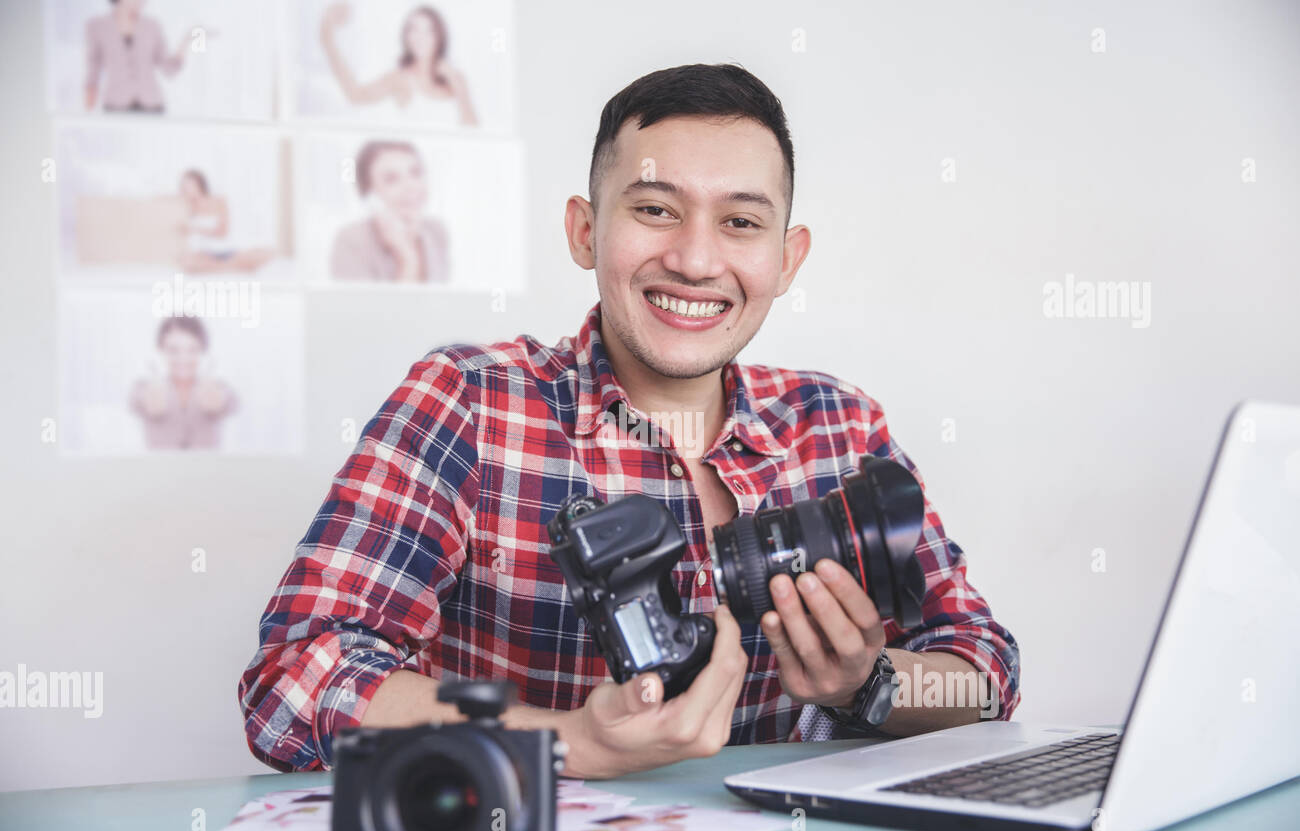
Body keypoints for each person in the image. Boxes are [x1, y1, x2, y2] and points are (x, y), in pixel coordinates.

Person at [240, 64, 1020, 777]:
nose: (694, 259)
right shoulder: (472, 402)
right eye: (655, 209)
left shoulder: (838, 425)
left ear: (787, 259)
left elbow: (986, 678)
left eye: (741, 223)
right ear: (586, 231)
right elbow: (296, 682)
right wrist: (568, 743)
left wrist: (869, 683)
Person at [318, 2, 478, 126]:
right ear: (406, 36)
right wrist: (328, 40)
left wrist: (458, 86)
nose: (420, 37)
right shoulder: (400, 79)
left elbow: (473, 132)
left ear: (440, 36)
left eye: (429, 30)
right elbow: (355, 95)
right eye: (413, 29)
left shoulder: (457, 79)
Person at [328, 141, 450, 283]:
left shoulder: (436, 231)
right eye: (392, 179)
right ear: (370, 195)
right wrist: (407, 259)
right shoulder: (351, 241)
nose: (411, 186)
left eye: (415, 173)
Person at [130, 314, 239, 450]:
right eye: (173, 350)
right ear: (160, 351)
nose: (184, 358)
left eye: (192, 349)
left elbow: (215, 404)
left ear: (203, 351)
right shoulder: (143, 387)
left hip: (207, 469)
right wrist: (156, 374)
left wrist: (207, 378)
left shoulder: (220, 387)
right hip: (160, 469)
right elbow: (154, 407)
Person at [84, 0, 199, 113]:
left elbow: (168, 69)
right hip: (115, 104)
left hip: (152, 105)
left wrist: (186, 41)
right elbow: (93, 67)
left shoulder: (152, 26)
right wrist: (88, 107)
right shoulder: (97, 26)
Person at [176, 170, 276, 274]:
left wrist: (194, 229)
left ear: (199, 184)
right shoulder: (187, 207)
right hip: (205, 254)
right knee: (185, 262)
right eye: (184, 186)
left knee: (267, 253)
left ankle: (227, 266)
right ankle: (235, 266)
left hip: (228, 251)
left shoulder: (219, 201)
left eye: (189, 185)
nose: (186, 189)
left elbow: (222, 232)